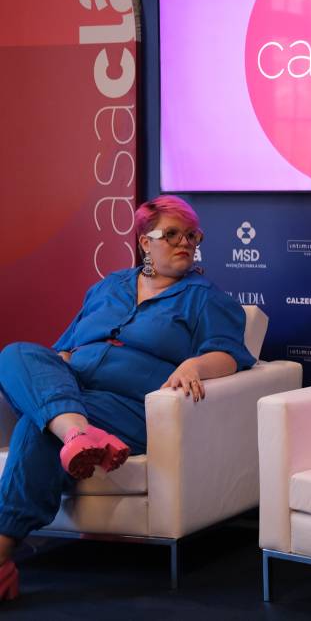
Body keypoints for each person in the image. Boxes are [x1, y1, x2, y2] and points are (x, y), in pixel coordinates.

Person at [0, 195, 255, 600]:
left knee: (38, 423)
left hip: (129, 407)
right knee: (15, 353)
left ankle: (3, 548)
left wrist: (195, 366)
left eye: (192, 235)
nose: (185, 243)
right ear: (144, 242)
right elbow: (62, 349)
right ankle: (76, 433)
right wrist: (59, 365)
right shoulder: (108, 287)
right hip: (76, 390)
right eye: (171, 234)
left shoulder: (205, 297)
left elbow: (230, 355)